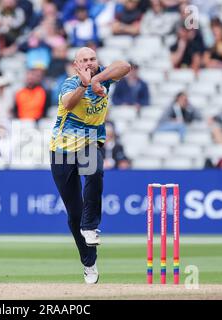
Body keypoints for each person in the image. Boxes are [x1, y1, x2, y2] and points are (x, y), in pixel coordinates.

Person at [49, 47, 130, 284]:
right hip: (61, 150)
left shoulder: (105, 76)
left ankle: (91, 227)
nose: (89, 62)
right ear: (76, 65)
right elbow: (69, 103)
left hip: (90, 143)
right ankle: (89, 262)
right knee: (74, 213)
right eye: (83, 60)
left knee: (95, 173)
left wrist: (97, 79)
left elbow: (125, 65)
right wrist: (85, 85)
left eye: (92, 59)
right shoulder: (69, 83)